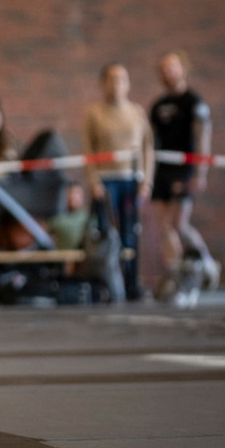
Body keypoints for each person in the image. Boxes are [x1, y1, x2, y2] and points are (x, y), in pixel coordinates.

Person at [149, 51, 218, 301]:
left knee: (177, 224)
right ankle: (177, 274)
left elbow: (202, 136)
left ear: (182, 69)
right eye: (164, 68)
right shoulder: (157, 106)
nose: (168, 72)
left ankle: (206, 262)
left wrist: (200, 171)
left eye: (173, 67)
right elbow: (151, 141)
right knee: (163, 227)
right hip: (162, 170)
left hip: (184, 169)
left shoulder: (193, 102)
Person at [83, 62, 155, 301]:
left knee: (130, 234)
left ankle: (131, 283)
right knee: (106, 234)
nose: (117, 84)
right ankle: (107, 285)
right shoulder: (95, 113)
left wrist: (146, 183)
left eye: (122, 78)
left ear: (128, 83)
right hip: (106, 182)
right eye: (112, 79)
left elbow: (147, 149)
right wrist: (93, 181)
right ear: (103, 83)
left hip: (131, 181)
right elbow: (89, 150)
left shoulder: (137, 112)